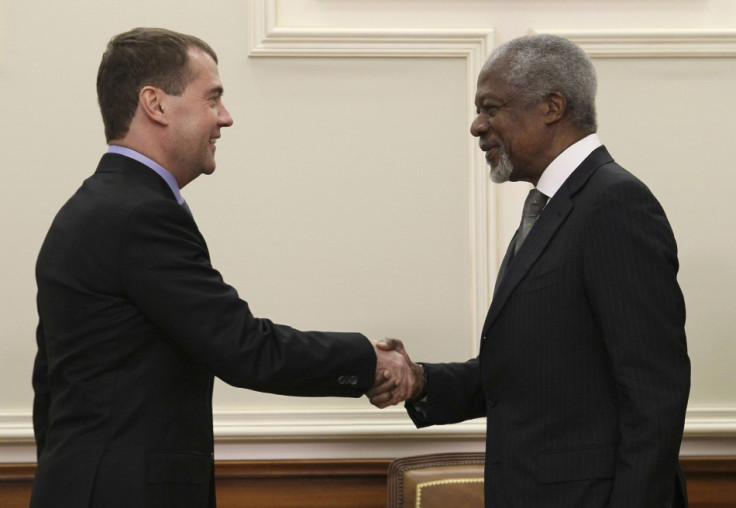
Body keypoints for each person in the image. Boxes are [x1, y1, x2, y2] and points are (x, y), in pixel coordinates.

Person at [31, 27, 413, 508]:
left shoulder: (92, 207)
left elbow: (50, 382)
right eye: (212, 99)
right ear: (156, 104)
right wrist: (369, 362)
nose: (225, 118)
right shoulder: (138, 214)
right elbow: (243, 347)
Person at [369, 34, 691, 507]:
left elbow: (655, 391)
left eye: (491, 107)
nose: (477, 125)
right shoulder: (550, 207)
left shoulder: (615, 203)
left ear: (552, 106)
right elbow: (533, 370)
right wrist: (421, 381)